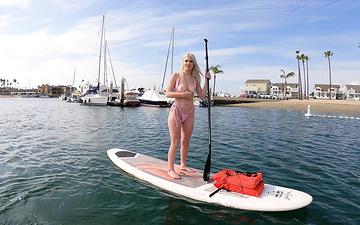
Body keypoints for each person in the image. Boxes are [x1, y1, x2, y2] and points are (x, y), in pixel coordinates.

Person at [165, 52, 211, 179]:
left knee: (185, 142)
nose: (188, 63)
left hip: (190, 112)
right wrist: (183, 94)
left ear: (194, 64)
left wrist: (206, 80)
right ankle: (170, 168)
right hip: (176, 111)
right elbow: (168, 93)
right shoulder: (176, 75)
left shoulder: (195, 79)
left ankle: (183, 165)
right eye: (186, 61)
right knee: (175, 141)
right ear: (183, 62)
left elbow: (201, 95)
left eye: (191, 61)